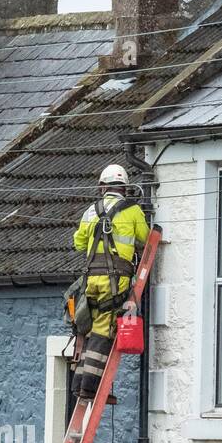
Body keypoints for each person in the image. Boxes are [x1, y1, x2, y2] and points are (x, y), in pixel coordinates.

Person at [71, 163, 149, 399]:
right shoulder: (133, 210)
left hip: (91, 281)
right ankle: (88, 388)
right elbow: (145, 239)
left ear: (102, 187)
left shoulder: (90, 211)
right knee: (104, 332)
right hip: (115, 281)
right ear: (124, 188)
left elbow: (79, 244)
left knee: (90, 329)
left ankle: (76, 383)